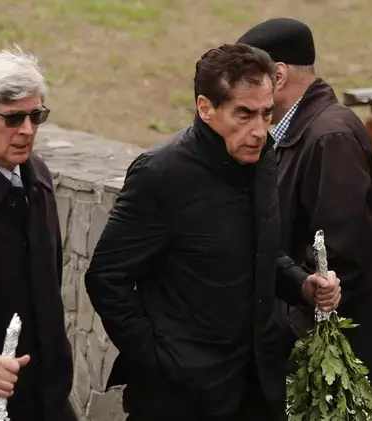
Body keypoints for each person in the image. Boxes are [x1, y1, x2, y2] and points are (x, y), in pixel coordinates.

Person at [84, 43, 341, 421]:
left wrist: (303, 285)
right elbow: (106, 278)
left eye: (267, 113)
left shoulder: (263, 158)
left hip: (253, 388)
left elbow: (258, 250)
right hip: (179, 400)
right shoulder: (162, 174)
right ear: (206, 108)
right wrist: (159, 360)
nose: (259, 130)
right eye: (244, 114)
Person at [237, 18, 372, 392]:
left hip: (329, 362)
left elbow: (339, 256)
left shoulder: (330, 137)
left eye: (248, 79)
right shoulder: (299, 133)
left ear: (278, 76)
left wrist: (283, 333)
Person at [0, 48, 76, 421]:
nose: (27, 130)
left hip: (46, 400)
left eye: (36, 115)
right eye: (13, 118)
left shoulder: (36, 174)